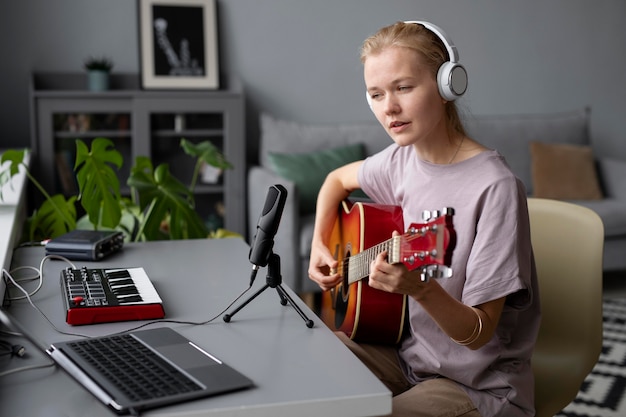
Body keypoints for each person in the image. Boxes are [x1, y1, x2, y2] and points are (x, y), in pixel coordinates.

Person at [308, 21, 540, 417]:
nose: (389, 108)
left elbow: (479, 333)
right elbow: (334, 181)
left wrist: (421, 289)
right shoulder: (401, 161)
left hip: (479, 386)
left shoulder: (495, 188)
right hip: (409, 358)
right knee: (310, 369)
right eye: (376, 95)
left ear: (448, 86)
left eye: (403, 88)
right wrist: (318, 243)